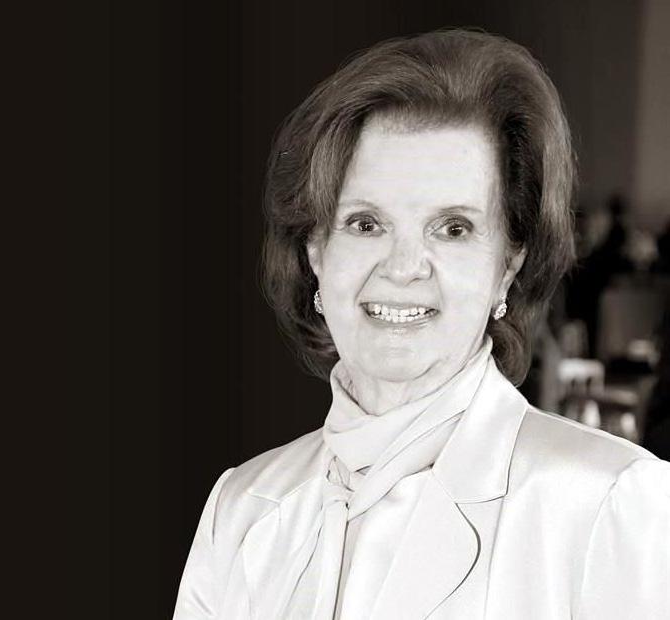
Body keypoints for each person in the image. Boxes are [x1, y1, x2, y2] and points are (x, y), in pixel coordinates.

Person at [174, 30, 670, 619]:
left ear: (508, 267)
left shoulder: (611, 502)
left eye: (452, 228)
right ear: (316, 252)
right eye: (366, 224)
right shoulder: (241, 508)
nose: (404, 267)